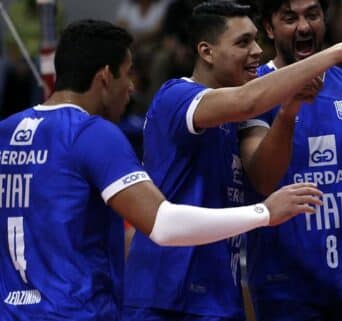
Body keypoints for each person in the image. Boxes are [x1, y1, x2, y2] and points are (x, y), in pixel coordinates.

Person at [0, 19, 325, 321]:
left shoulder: (6, 131)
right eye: (127, 74)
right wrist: (264, 212)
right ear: (104, 77)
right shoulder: (93, 133)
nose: (131, 88)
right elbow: (163, 224)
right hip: (75, 310)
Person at [122, 1, 342, 321]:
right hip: (170, 295)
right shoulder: (178, 96)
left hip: (223, 292)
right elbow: (249, 108)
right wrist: (335, 53)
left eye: (255, 40)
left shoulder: (240, 115)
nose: (256, 50)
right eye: (244, 42)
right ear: (206, 51)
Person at [237, 0, 342, 319]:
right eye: (290, 18)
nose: (304, 27)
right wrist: (290, 108)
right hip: (284, 288)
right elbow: (262, 180)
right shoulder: (253, 90)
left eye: (312, 15)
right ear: (270, 28)